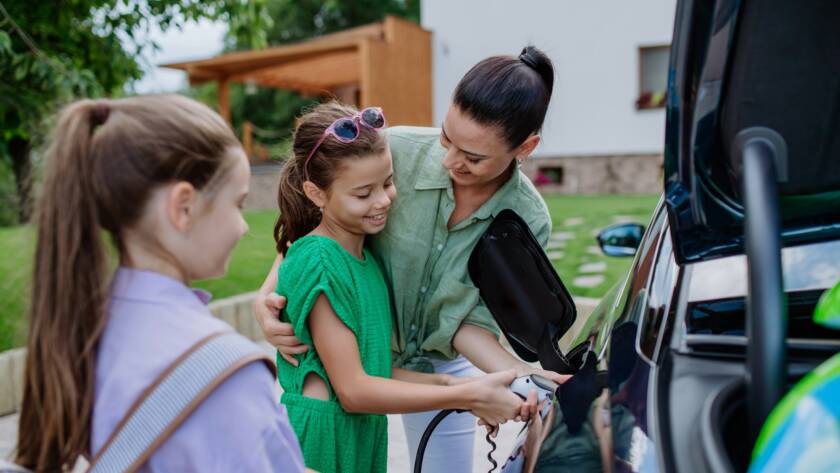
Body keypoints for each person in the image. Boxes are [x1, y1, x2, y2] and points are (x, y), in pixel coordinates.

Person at [257, 46, 567, 471]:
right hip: (361, 355)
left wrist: (517, 376)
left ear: (525, 147)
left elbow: (469, 323)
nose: (451, 160)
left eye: (473, 157)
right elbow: (312, 209)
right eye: (446, 137)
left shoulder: (527, 220)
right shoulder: (393, 150)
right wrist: (270, 290)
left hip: (436, 362)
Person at [16, 95, 306, 472]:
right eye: (237, 204)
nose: (244, 225)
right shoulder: (225, 374)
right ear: (183, 207)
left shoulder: (84, 330)